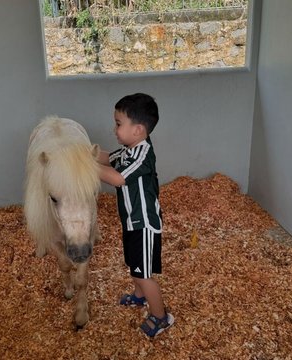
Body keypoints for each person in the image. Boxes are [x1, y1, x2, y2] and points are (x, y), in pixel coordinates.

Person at [97, 93, 174, 337]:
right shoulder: (128, 149)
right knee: (134, 266)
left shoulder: (142, 153)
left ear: (138, 130)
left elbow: (117, 178)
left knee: (144, 274)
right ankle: (139, 297)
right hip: (131, 222)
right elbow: (108, 159)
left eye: (119, 124)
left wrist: (83, 165)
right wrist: (83, 151)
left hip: (144, 225)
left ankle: (161, 317)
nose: (114, 129)